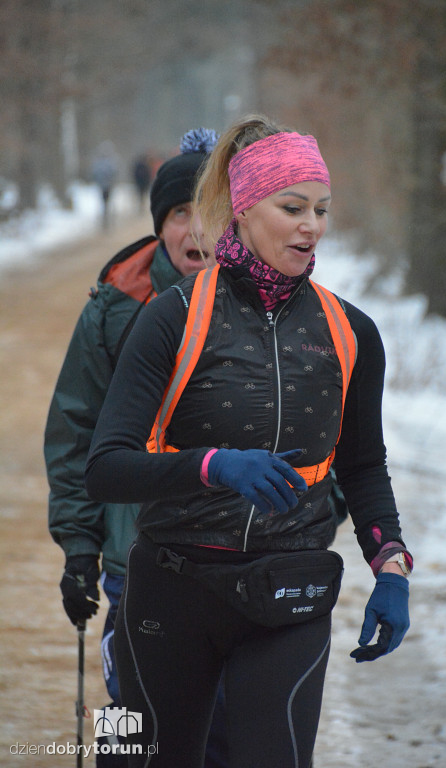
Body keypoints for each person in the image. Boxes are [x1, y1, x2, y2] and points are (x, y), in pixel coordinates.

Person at [84, 114, 413, 768]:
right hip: (172, 590)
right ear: (243, 209)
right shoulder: (172, 318)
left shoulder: (351, 332)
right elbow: (107, 468)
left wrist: (392, 567)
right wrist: (211, 467)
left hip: (287, 592)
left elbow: (365, 467)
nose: (311, 225)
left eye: (321, 209)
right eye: (292, 207)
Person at [44, 128, 229, 768]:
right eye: (182, 213)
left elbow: (325, 424)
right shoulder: (113, 310)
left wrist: (319, 516)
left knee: (219, 734)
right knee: (132, 733)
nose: (197, 231)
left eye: (214, 211)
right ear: (160, 223)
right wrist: (78, 549)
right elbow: (75, 435)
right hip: (134, 565)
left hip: (238, 565)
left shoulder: (271, 307)